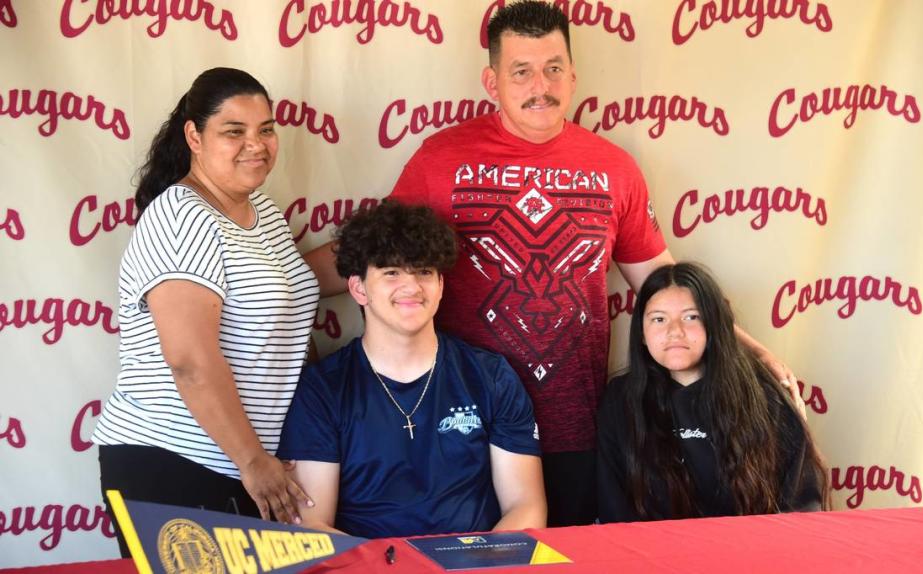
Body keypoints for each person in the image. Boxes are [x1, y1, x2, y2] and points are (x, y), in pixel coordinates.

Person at [305, 0, 794, 526]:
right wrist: (270, 278)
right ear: (492, 82)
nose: (541, 85)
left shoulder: (615, 169)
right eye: (521, 71)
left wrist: (749, 347)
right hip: (469, 431)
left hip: (575, 428)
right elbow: (378, 253)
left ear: (573, 74)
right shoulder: (441, 159)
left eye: (553, 68)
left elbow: (661, 281)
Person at [91, 68, 319, 556]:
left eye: (266, 129)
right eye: (234, 131)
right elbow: (190, 361)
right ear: (194, 136)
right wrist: (254, 460)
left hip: (237, 464)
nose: (255, 145)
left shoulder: (262, 212)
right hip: (173, 463)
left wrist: (390, 252)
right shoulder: (182, 214)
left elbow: (302, 282)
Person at [277, 201, 546, 538]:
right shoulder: (321, 389)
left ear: (441, 285)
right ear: (359, 288)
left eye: (423, 272)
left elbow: (526, 507)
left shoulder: (491, 376)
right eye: (391, 272)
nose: (412, 287)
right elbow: (312, 528)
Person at [596, 262, 829, 522]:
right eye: (659, 319)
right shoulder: (621, 401)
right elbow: (613, 510)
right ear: (641, 333)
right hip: (654, 557)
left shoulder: (765, 397)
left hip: (753, 557)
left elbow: (801, 509)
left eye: (691, 317)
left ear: (715, 325)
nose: (675, 332)